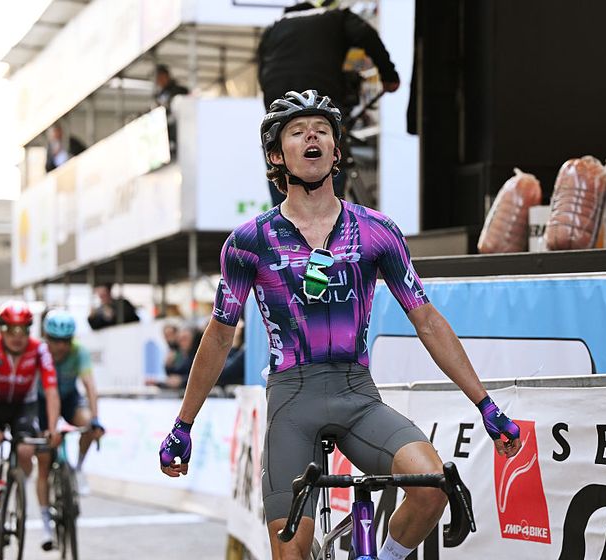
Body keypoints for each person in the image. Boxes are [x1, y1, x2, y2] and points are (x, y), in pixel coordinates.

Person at [159, 90, 522, 560]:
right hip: (292, 399)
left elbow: (427, 321)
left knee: (432, 487)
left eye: (322, 129)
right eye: (297, 130)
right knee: (290, 554)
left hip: (358, 393)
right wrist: (183, 424)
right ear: (276, 155)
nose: (312, 135)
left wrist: (486, 405)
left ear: (335, 150)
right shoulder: (249, 242)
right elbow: (220, 336)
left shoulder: (376, 230)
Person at [257, 0, 401, 206]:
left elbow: (262, 72)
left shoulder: (273, 29)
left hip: (279, 109)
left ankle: (281, 223)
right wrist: (389, 75)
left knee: (279, 164)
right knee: (328, 154)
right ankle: (332, 217)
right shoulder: (336, 17)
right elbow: (366, 34)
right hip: (323, 101)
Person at [0, 300, 61, 560]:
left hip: (23, 407)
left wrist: (52, 428)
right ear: (2, 329)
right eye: (11, 330)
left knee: (27, 448)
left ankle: (16, 481)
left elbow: (51, 391)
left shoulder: (40, 350)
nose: (17, 337)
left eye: (23, 330)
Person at [35, 309, 105, 550]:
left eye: (65, 341)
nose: (61, 347)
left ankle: (78, 469)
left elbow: (89, 385)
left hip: (69, 399)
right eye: (55, 340)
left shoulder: (79, 351)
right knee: (44, 461)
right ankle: (46, 526)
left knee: (88, 426)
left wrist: (95, 418)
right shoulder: (38, 353)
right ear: (46, 337)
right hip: (41, 403)